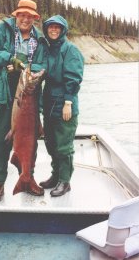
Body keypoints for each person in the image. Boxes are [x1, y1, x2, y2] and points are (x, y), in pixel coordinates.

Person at [0, 0, 48, 203]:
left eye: (30, 16)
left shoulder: (40, 40)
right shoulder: (2, 29)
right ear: (16, 15)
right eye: (22, 15)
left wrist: (32, 72)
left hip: (29, 93)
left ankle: (28, 177)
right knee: (0, 139)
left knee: (29, 139)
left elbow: (41, 64)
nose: (25, 19)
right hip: (2, 92)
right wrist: (11, 59)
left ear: (35, 18)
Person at [39, 15, 84, 197]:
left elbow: (73, 78)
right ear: (46, 29)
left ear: (63, 30)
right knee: (51, 143)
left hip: (65, 104)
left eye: (58, 27)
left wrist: (68, 103)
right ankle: (56, 175)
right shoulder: (48, 50)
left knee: (64, 146)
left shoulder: (70, 49)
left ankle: (65, 181)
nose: (54, 30)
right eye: (51, 27)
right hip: (49, 103)